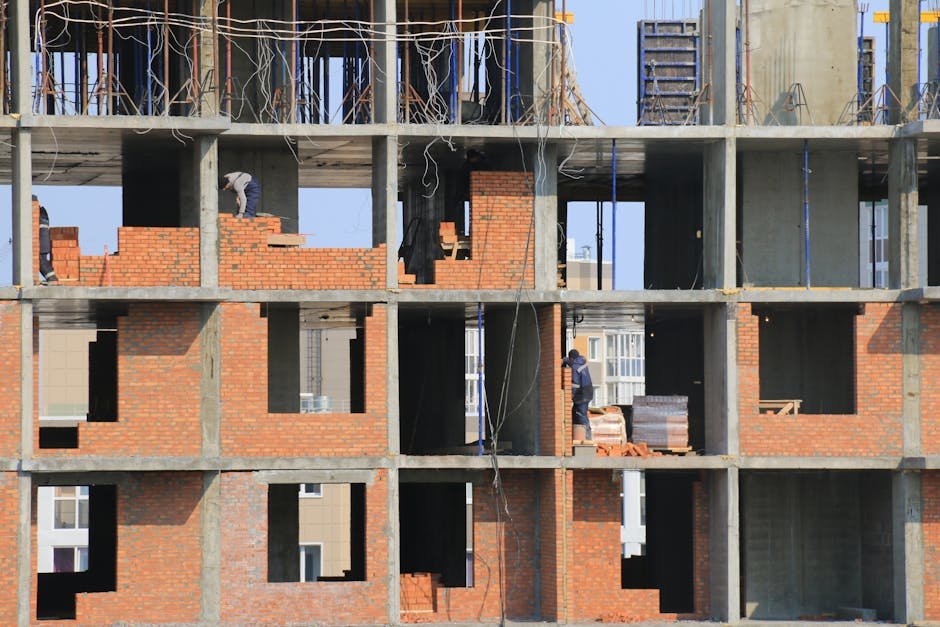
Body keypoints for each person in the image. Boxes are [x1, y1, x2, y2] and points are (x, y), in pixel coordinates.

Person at [562, 349, 593, 441]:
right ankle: (575, 436)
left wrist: (569, 395)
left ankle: (587, 438)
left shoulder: (575, 367)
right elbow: (570, 361)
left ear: (571, 358)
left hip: (582, 394)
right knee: (574, 413)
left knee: (581, 414)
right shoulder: (580, 361)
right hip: (587, 391)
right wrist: (564, 360)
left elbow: (575, 384)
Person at [35, 195, 58, 284]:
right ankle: (51, 278)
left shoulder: (41, 215)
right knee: (42, 260)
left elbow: (42, 231)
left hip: (42, 244)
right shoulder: (43, 213)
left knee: (41, 261)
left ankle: (52, 278)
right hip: (43, 243)